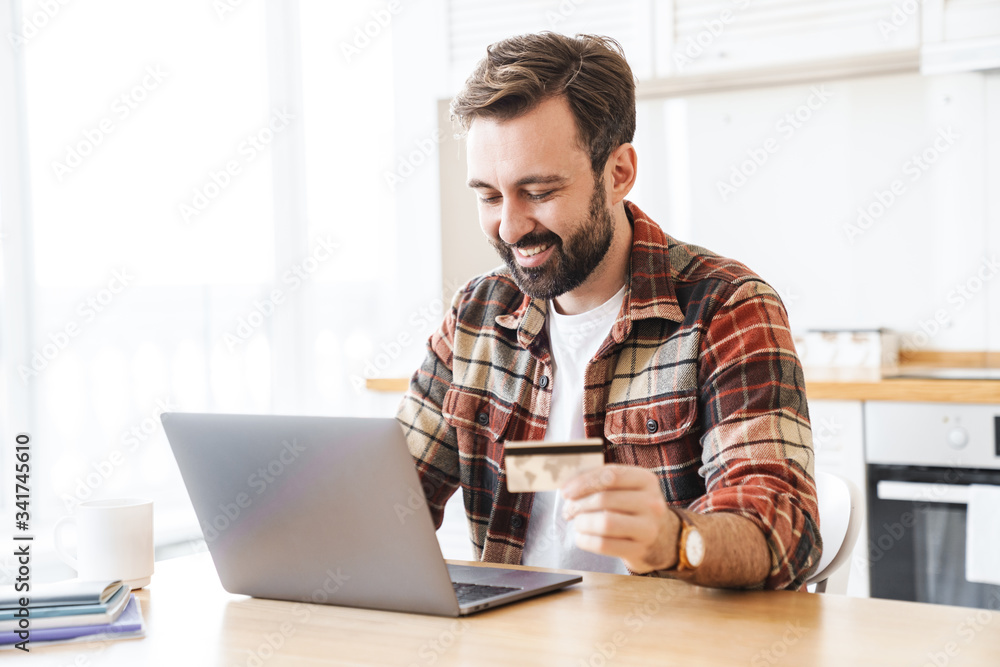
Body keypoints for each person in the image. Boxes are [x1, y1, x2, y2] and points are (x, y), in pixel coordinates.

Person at [396, 32, 820, 590]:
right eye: (489, 196)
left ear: (618, 172)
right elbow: (396, 496)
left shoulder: (726, 307)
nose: (510, 226)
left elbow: (783, 528)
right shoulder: (477, 314)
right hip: (510, 643)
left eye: (540, 191)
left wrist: (674, 539)